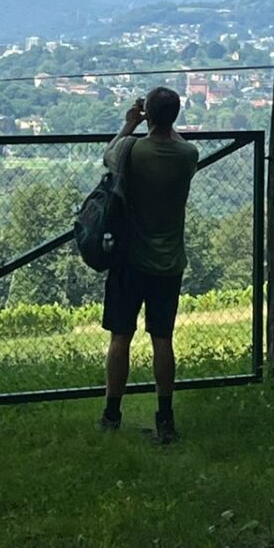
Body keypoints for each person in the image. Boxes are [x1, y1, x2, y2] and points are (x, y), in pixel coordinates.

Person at [99, 85, 199, 444]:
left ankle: (112, 413)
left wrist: (130, 123)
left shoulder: (130, 149)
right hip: (169, 263)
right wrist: (164, 122)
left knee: (120, 338)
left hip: (129, 260)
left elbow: (108, 153)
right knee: (163, 339)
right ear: (175, 117)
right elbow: (179, 140)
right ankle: (165, 416)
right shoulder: (188, 154)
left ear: (148, 115)